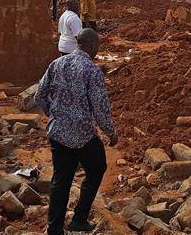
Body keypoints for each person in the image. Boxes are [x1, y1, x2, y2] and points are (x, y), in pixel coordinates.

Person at [35, 28, 117, 235]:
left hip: (58, 133)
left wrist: (53, 114)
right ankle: (79, 218)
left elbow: (39, 96)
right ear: (90, 46)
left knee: (61, 180)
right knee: (97, 168)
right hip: (82, 135)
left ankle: (54, 228)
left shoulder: (57, 64)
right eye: (97, 46)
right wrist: (111, 133)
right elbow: (100, 109)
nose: (97, 50)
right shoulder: (92, 71)